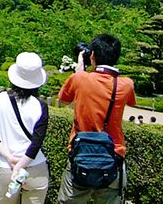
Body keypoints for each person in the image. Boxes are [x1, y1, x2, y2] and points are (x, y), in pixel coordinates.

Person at [57, 34, 137, 204]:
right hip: (113, 155)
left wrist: (80, 68)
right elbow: (130, 102)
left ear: (92, 56)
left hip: (81, 155)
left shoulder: (79, 78)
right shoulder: (126, 84)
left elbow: (63, 101)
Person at [0, 52, 51, 203]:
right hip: (35, 168)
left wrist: (9, 158)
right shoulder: (40, 106)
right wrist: (21, 165)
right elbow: (36, 143)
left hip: (5, 166)